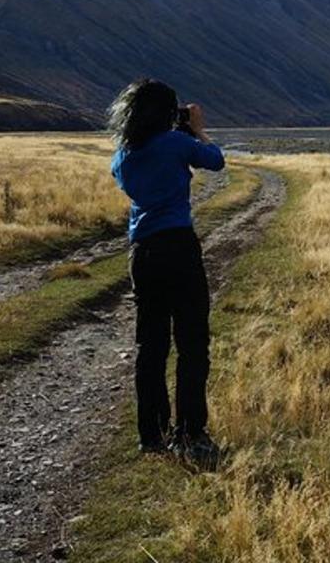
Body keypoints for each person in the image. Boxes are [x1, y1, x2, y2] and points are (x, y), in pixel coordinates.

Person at [108, 79, 225, 464]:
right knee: (192, 342)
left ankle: (151, 434)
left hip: (142, 252)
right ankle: (190, 432)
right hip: (178, 247)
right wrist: (196, 129)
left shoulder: (123, 155)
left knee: (151, 345)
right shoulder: (175, 143)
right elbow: (215, 159)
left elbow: (133, 171)